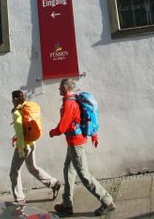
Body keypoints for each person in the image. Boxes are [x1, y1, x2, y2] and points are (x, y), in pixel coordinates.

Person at [50, 78, 116, 216]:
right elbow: (84, 119)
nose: (58, 90)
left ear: (65, 88)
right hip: (73, 142)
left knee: (84, 174)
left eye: (60, 87)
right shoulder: (75, 100)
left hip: (76, 143)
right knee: (68, 170)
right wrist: (94, 136)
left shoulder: (70, 103)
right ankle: (67, 204)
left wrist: (53, 132)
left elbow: (63, 127)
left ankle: (107, 200)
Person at [10, 90, 61, 205]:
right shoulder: (27, 109)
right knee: (32, 167)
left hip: (23, 146)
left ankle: (19, 199)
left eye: (12, 98)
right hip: (32, 144)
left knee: (14, 172)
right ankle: (54, 183)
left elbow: (20, 133)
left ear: (15, 99)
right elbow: (24, 128)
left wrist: (21, 150)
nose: (12, 101)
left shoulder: (17, 113)